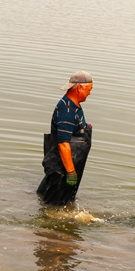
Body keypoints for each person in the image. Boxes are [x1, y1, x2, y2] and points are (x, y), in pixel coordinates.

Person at [37, 71, 94, 205]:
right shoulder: (66, 112)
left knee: (60, 202)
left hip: (66, 167)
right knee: (54, 207)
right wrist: (71, 172)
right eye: (89, 89)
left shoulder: (74, 107)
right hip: (61, 169)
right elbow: (63, 144)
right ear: (80, 88)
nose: (89, 93)